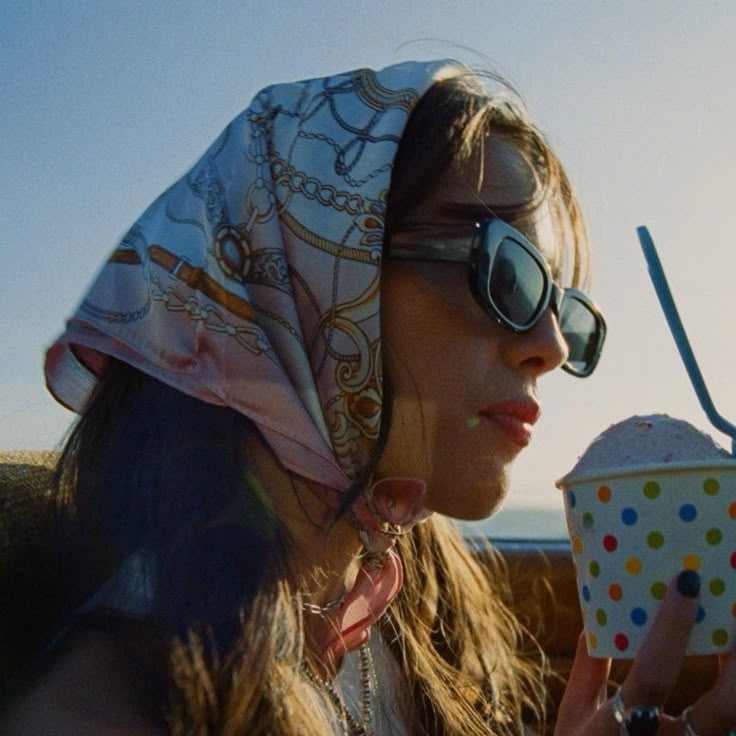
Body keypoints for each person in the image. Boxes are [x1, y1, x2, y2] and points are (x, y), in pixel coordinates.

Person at [0, 58, 733, 735]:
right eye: (507, 274)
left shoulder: (407, 606)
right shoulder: (106, 711)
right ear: (304, 280)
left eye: (568, 310)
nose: (554, 344)